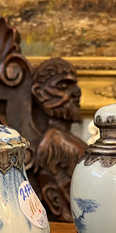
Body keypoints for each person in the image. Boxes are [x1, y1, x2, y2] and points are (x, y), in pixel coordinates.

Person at [31, 58, 87, 222]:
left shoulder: (65, 141)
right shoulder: (56, 143)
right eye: (63, 86)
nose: (76, 92)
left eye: (75, 85)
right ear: (40, 93)